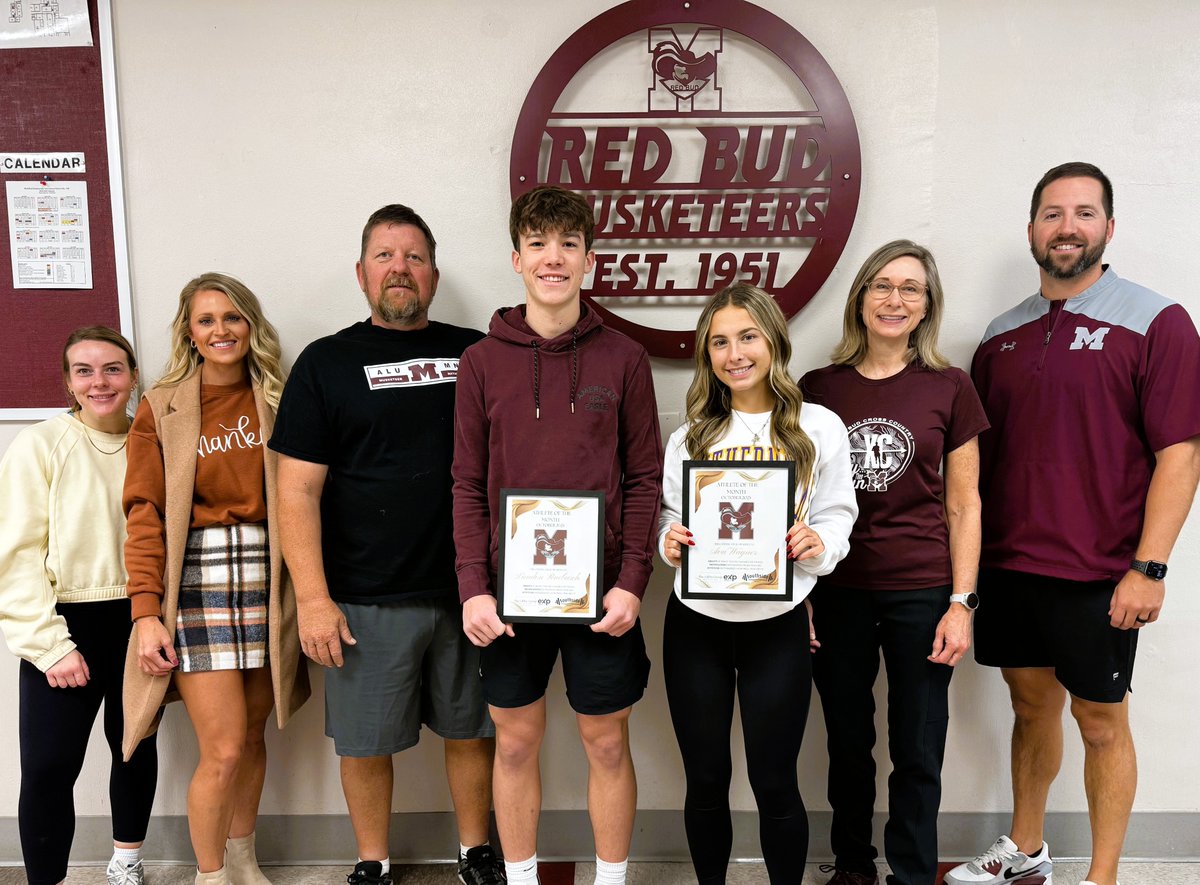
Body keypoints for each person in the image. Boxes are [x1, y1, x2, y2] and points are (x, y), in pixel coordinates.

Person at [947, 163, 1200, 885]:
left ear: (1109, 228)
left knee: (1100, 720)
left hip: (1101, 573)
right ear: (1032, 230)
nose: (1068, 227)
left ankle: (1104, 876)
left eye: (1084, 213)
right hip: (1010, 568)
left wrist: (1148, 567)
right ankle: (1026, 854)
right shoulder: (1000, 337)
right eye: (1053, 214)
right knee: (1031, 709)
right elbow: (976, 471)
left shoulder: (1157, 321)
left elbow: (1180, 455)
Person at [269, 205, 504, 885]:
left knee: (472, 731)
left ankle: (475, 851)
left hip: (470, 592)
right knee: (367, 744)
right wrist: (313, 598)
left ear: (432, 273)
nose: (399, 268)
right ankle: (373, 860)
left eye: (414, 256)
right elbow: (296, 492)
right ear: (361, 272)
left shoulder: (478, 353)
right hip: (366, 598)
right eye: (384, 255)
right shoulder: (327, 363)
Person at [453, 184, 663, 885]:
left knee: (606, 741)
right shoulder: (482, 362)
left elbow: (643, 477)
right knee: (514, 743)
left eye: (569, 244)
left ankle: (610, 880)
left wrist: (632, 581)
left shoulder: (624, 359)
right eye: (539, 243)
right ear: (516, 258)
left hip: (601, 594)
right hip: (508, 599)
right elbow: (464, 483)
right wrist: (473, 590)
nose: (554, 257)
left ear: (589, 261)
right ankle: (519, 878)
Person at [800, 241, 989, 885]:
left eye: (911, 288)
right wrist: (797, 599)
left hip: (923, 590)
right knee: (848, 742)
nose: (895, 299)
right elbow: (794, 504)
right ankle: (853, 865)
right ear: (860, 298)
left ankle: (911, 872)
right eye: (882, 286)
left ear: (927, 304)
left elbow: (965, 506)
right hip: (839, 590)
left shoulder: (949, 387)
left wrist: (961, 605)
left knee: (918, 745)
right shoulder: (819, 390)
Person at [658, 283, 857, 884]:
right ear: (706, 354)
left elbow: (837, 514)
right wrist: (669, 540)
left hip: (779, 625)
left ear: (773, 340)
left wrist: (819, 546)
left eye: (747, 336)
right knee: (706, 780)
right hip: (697, 626)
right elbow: (670, 515)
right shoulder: (691, 434)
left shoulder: (818, 428)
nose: (734, 352)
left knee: (775, 781)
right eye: (719, 341)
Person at [121, 273, 310, 885]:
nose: (221, 330)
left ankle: (242, 860)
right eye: (206, 320)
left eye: (232, 317)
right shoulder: (163, 404)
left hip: (268, 571)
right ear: (189, 331)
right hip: (198, 578)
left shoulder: (280, 396)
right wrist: (146, 612)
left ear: (250, 325)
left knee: (254, 735)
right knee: (222, 747)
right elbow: (144, 513)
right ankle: (209, 876)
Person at [0, 327, 156, 885]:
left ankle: (126, 862)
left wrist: (156, 617)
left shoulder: (152, 439)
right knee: (47, 767)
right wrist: (49, 645)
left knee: (134, 745)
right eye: (85, 371)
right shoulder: (41, 444)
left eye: (113, 368)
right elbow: (14, 556)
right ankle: (47, 879)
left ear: (133, 375)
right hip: (67, 622)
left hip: (141, 617)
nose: (100, 382)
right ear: (68, 382)